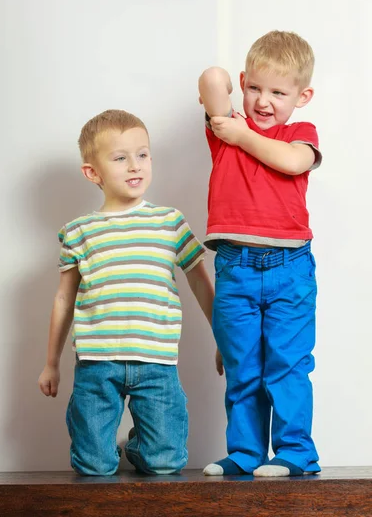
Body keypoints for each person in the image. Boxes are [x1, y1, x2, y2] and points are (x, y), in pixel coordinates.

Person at [38, 109, 214, 476]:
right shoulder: (78, 232)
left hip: (157, 361)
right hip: (96, 363)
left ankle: (136, 445)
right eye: (121, 158)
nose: (135, 166)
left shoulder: (169, 222)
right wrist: (51, 361)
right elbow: (63, 300)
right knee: (93, 466)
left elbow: (200, 282)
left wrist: (223, 338)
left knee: (164, 462)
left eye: (143, 154)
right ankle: (103, 450)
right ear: (93, 173)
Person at [198, 31, 322, 477]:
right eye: (254, 88)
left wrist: (241, 133)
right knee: (242, 367)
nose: (263, 101)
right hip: (234, 266)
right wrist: (229, 114)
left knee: (286, 367)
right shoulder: (224, 130)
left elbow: (291, 163)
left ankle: (294, 454)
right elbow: (212, 78)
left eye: (278, 92)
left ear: (302, 96)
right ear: (243, 82)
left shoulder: (299, 134)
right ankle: (245, 453)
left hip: (289, 267)